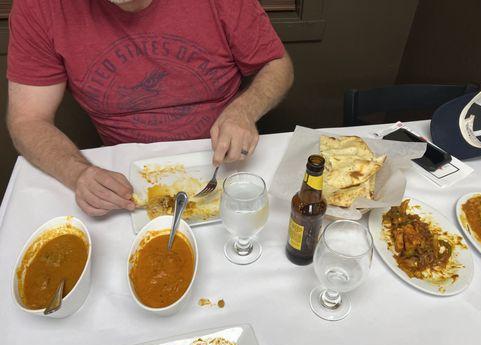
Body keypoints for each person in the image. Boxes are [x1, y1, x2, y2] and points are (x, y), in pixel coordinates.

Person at [6, 0, 294, 216]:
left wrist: (244, 110)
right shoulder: (40, 6)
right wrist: (77, 173)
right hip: (127, 178)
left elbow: (278, 64)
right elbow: (27, 119)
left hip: (226, 162)